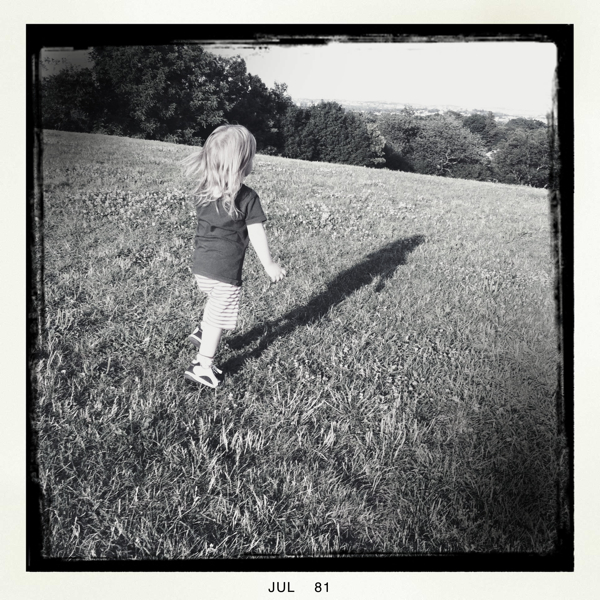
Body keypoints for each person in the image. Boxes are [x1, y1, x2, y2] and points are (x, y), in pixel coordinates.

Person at [182, 125, 286, 388]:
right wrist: (269, 264)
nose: (253, 162)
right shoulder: (247, 197)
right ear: (241, 164)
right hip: (224, 273)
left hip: (201, 266)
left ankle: (203, 330)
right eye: (251, 157)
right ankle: (202, 366)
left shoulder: (204, 189)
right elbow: (256, 234)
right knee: (219, 317)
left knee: (214, 302)